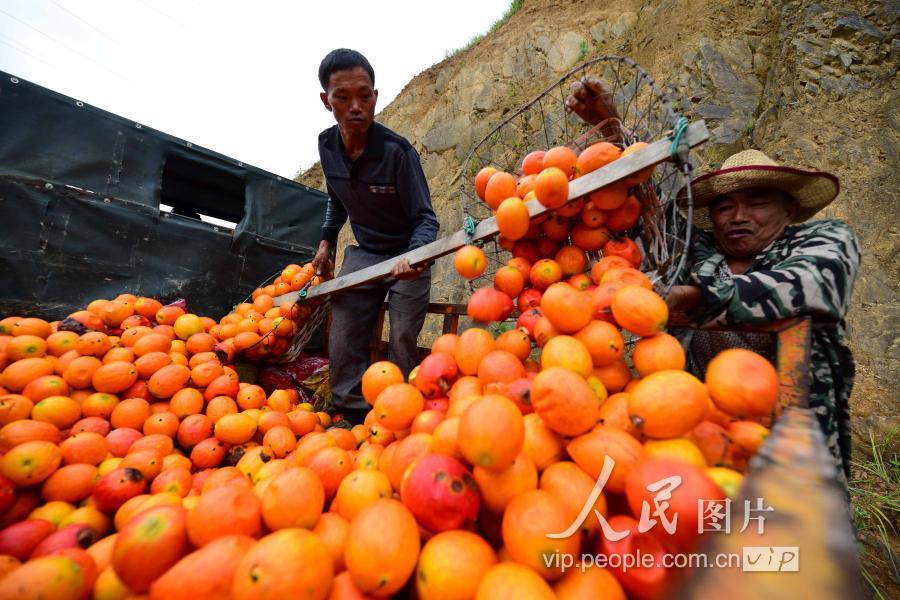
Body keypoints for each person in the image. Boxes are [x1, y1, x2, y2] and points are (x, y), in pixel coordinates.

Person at [567, 77, 861, 483]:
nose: (739, 216)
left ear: (790, 208)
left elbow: (807, 287)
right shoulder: (698, 250)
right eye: (725, 207)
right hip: (697, 439)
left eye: (757, 203)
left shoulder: (824, 240)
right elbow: (648, 206)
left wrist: (699, 297)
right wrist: (614, 129)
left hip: (794, 455)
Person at [311, 49, 440, 425]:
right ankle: (350, 413)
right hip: (366, 253)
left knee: (402, 335)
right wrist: (326, 240)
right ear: (326, 101)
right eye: (343, 97)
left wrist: (414, 258)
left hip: (407, 254)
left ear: (375, 97)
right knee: (344, 329)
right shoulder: (326, 146)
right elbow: (336, 199)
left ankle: (399, 415)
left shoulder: (398, 153)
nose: (355, 106)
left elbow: (426, 219)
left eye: (364, 96)